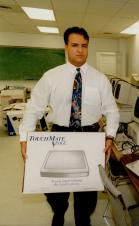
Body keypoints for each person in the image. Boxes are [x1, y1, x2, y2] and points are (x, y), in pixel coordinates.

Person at [19, 27, 120, 226]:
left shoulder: (100, 79)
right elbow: (34, 107)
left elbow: (112, 110)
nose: (80, 50)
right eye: (75, 45)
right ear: (66, 47)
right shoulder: (51, 77)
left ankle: (83, 220)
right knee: (55, 187)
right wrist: (25, 137)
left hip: (90, 137)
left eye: (84, 46)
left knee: (87, 191)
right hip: (59, 136)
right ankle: (59, 212)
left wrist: (110, 136)